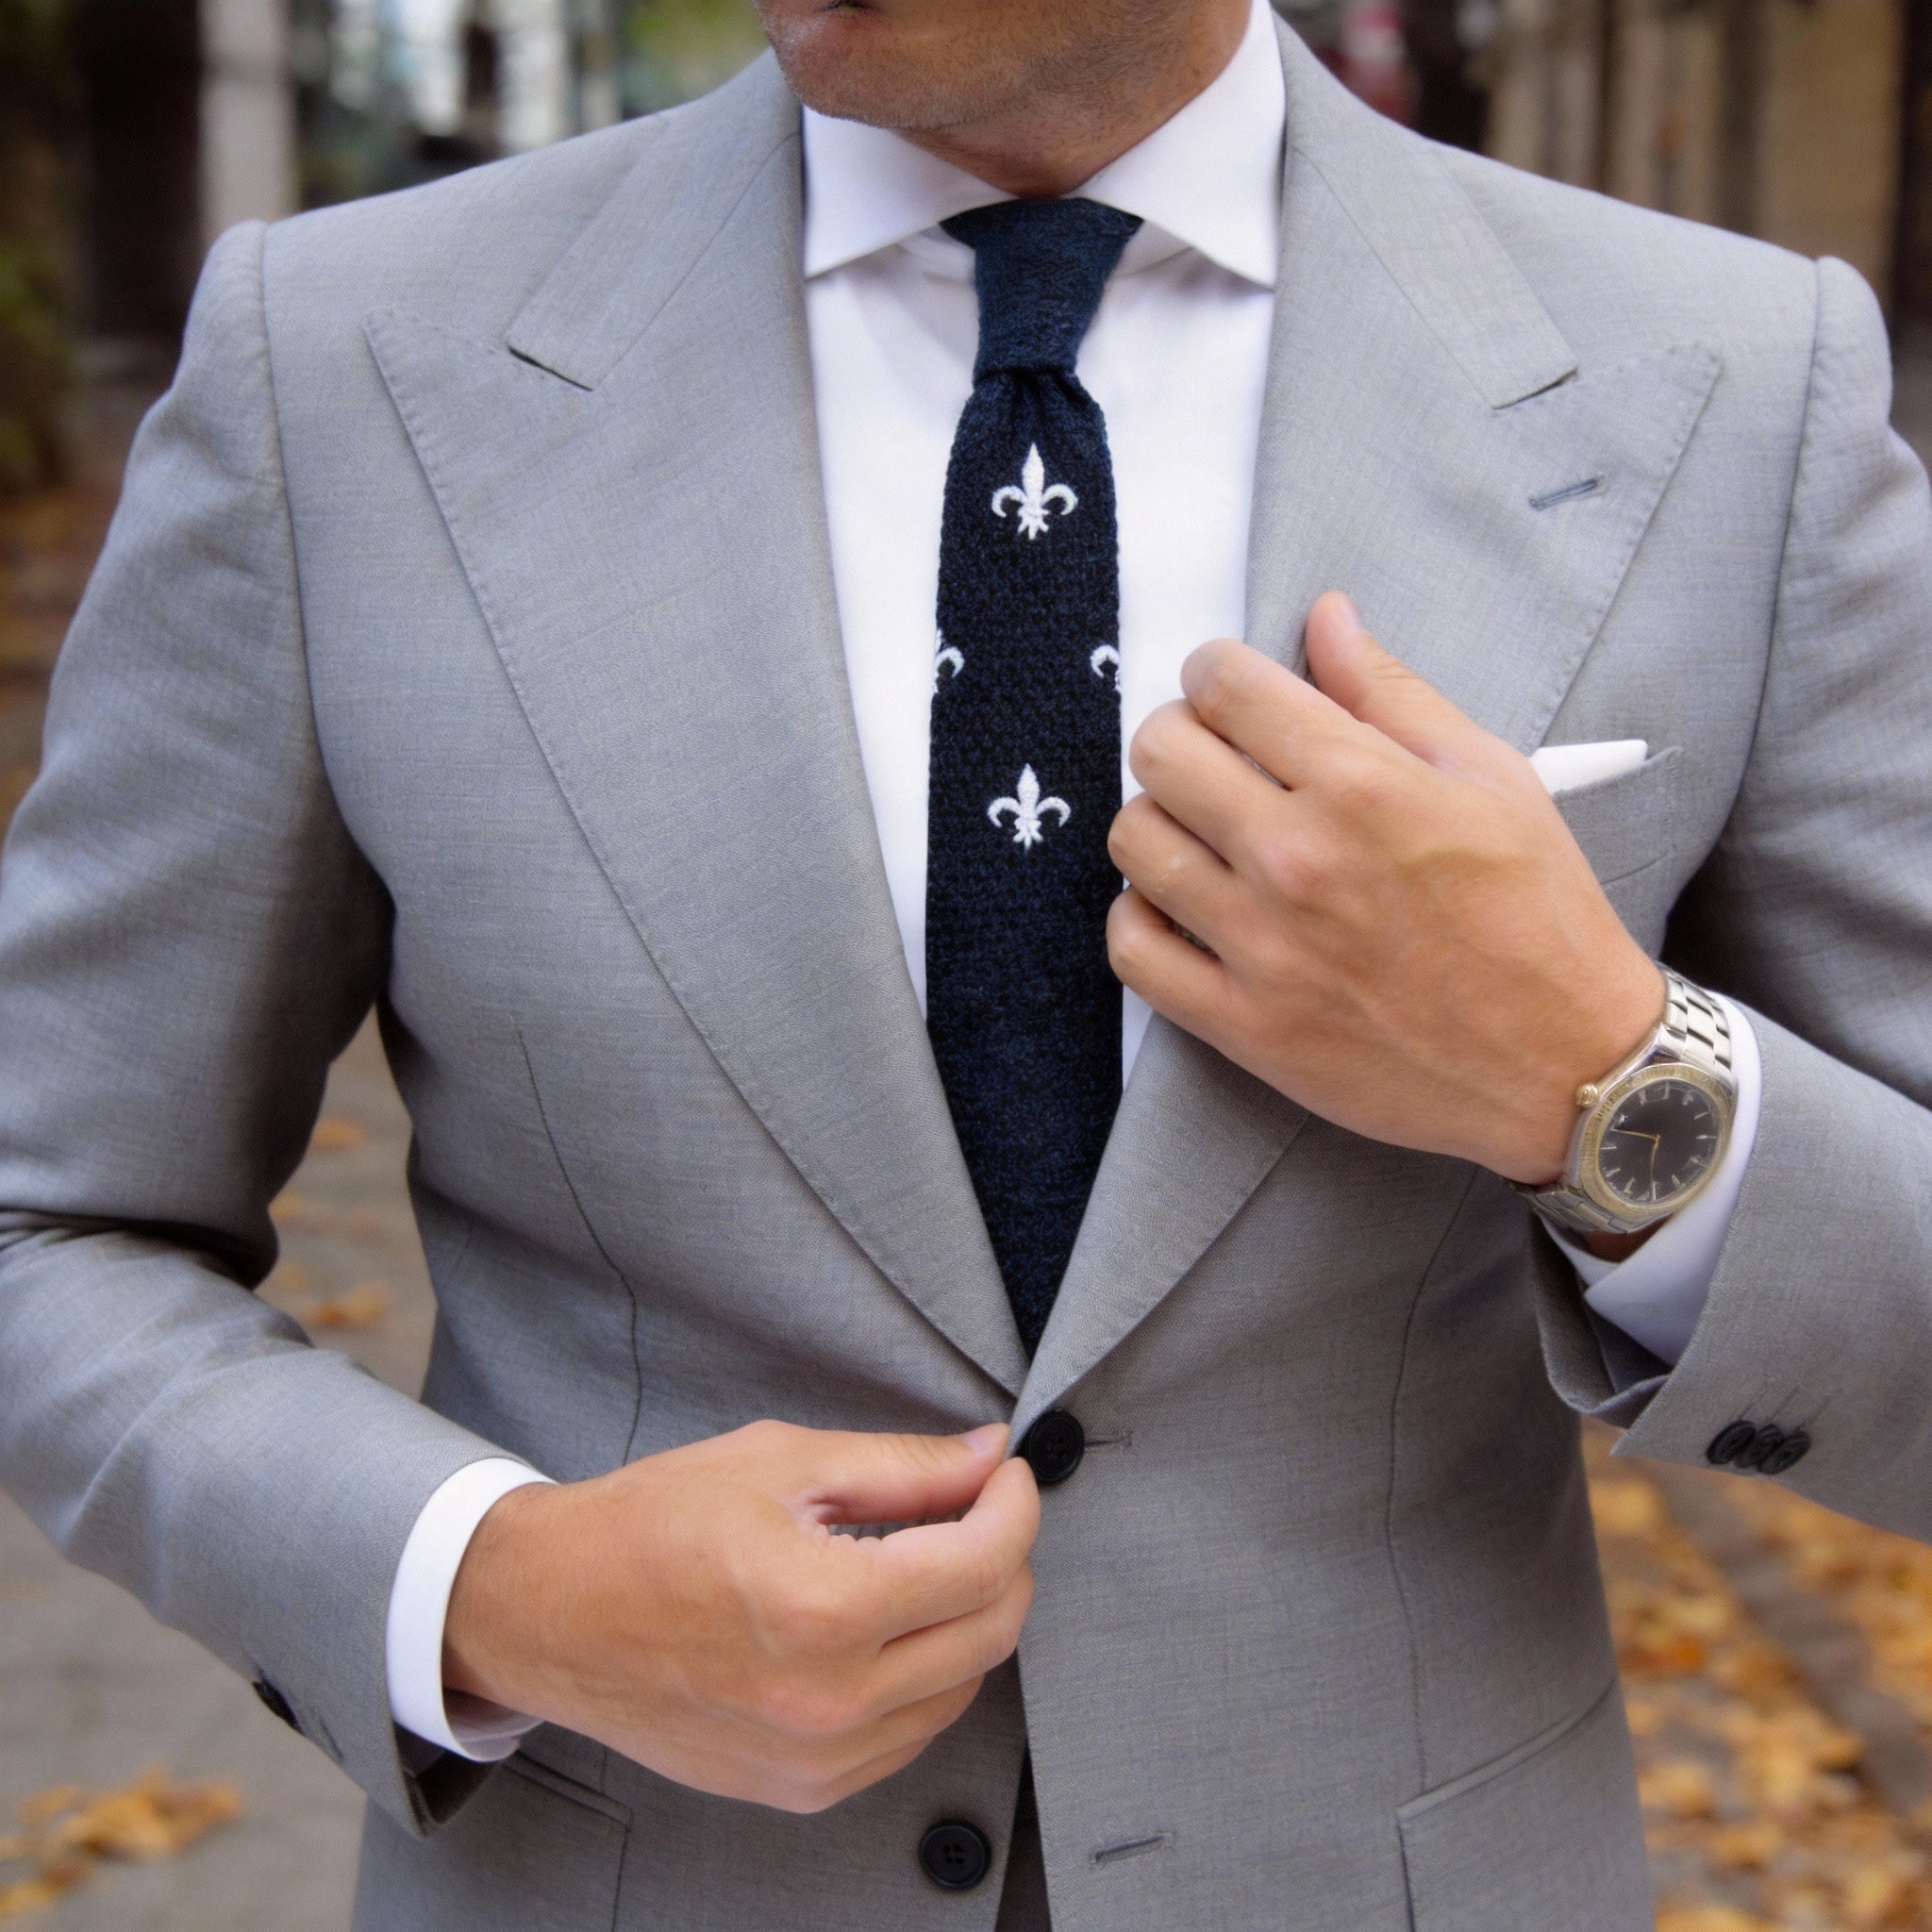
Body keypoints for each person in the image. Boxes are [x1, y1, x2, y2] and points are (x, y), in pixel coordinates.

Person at [2, 0, 1928, 1923]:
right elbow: (53, 1221)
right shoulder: (333, 365)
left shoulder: (1730, 390)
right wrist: (485, 1588)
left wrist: (1601, 1079)